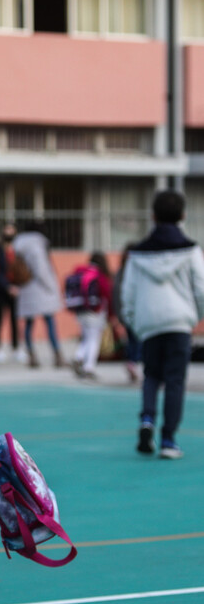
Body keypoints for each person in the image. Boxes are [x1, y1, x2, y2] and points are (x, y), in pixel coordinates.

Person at [121, 189, 204, 460]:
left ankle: (146, 420)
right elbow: (201, 288)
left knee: (151, 375)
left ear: (153, 216)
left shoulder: (137, 254)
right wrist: (195, 316)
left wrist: (136, 323)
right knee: (175, 381)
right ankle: (168, 440)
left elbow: (128, 293)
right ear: (183, 216)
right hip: (179, 322)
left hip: (149, 322)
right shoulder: (191, 250)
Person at [13, 220, 65, 368]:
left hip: (26, 288)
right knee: (49, 322)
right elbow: (40, 268)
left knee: (29, 323)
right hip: (41, 289)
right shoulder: (36, 244)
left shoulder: (19, 245)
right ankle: (57, 355)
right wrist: (52, 287)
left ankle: (32, 356)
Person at [71, 251, 114, 380]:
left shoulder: (80, 272)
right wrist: (111, 315)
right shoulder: (100, 276)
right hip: (95, 312)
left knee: (86, 337)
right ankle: (89, 367)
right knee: (94, 339)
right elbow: (107, 295)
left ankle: (78, 357)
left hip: (80, 311)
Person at [112, 243, 142, 383]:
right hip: (136, 313)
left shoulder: (120, 272)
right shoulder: (137, 272)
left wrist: (119, 313)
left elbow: (116, 295)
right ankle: (133, 362)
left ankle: (132, 362)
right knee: (136, 340)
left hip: (126, 312)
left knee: (132, 339)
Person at [0, 224, 20, 362]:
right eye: (6, 229)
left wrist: (17, 286)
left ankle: (16, 348)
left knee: (15, 320)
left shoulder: (18, 249)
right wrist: (7, 286)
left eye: (11, 229)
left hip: (16, 289)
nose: (9, 232)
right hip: (2, 290)